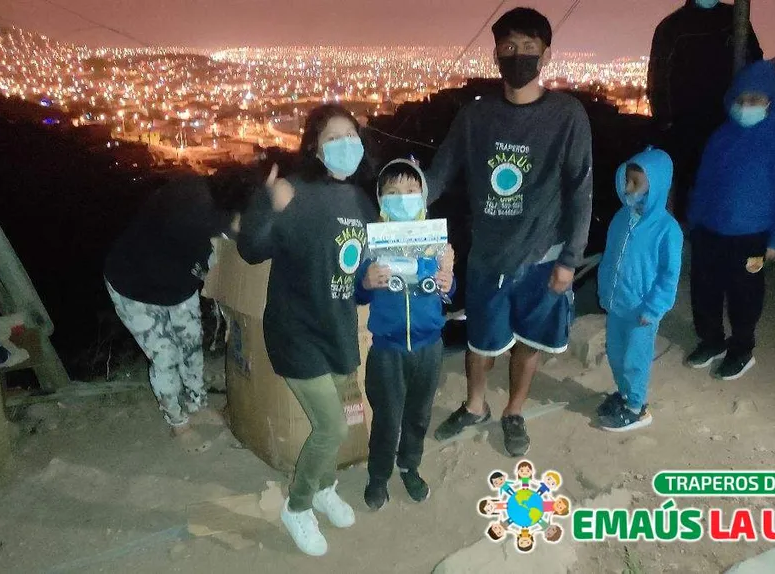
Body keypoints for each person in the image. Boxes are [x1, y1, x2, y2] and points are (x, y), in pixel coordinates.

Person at [426, 7, 593, 457]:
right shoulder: (476, 116)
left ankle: (514, 411)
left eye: (529, 47)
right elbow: (440, 173)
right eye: (509, 47)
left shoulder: (566, 115)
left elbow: (580, 190)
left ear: (546, 54)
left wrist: (569, 259)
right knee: (480, 341)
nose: (518, 55)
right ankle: (475, 405)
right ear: (496, 53)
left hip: (542, 255)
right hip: (488, 254)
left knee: (530, 342)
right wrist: (401, 198)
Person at [237, 104, 377, 557]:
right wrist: (267, 203)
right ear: (315, 147)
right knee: (332, 427)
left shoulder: (360, 201)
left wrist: (377, 279)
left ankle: (324, 487)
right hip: (296, 331)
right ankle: (297, 507)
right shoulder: (292, 190)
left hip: (337, 328)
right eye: (333, 138)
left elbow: (360, 271)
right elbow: (252, 249)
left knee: (335, 422)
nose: (345, 145)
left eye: (351, 135)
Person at [103, 168, 251, 450]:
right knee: (165, 354)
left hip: (177, 284)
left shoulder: (212, 210)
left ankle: (197, 405)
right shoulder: (192, 212)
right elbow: (219, 255)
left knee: (191, 341)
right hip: (135, 288)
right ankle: (178, 423)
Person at [684, 61, 775, 380]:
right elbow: (704, 181)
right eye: (741, 99)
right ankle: (711, 340)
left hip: (752, 235)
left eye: (755, 99)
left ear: (770, 100)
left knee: (745, 294)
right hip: (710, 229)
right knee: (704, 289)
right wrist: (694, 220)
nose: (746, 106)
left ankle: (741, 349)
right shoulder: (722, 135)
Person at [355, 159, 455, 510]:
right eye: (393, 192)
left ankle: (409, 466)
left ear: (423, 196)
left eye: (411, 191)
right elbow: (359, 294)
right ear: (381, 200)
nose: (403, 198)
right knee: (386, 418)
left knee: (419, 415)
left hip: (429, 347)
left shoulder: (437, 243)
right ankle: (378, 476)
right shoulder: (372, 244)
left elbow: (448, 292)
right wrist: (366, 282)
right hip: (387, 350)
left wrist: (448, 281)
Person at [648, 0, 763, 222]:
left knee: (723, 186)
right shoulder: (672, 27)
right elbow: (658, 80)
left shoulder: (734, 19)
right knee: (689, 191)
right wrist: (666, 122)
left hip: (727, 122)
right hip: (686, 129)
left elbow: (755, 62)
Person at [597, 148, 682, 432]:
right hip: (617, 304)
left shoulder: (668, 230)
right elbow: (610, 257)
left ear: (656, 186)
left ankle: (637, 407)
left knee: (635, 359)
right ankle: (624, 395)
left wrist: (654, 308)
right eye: (627, 180)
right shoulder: (621, 218)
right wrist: (605, 291)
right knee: (615, 353)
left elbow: (669, 275)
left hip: (642, 311)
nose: (628, 188)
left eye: (636, 183)